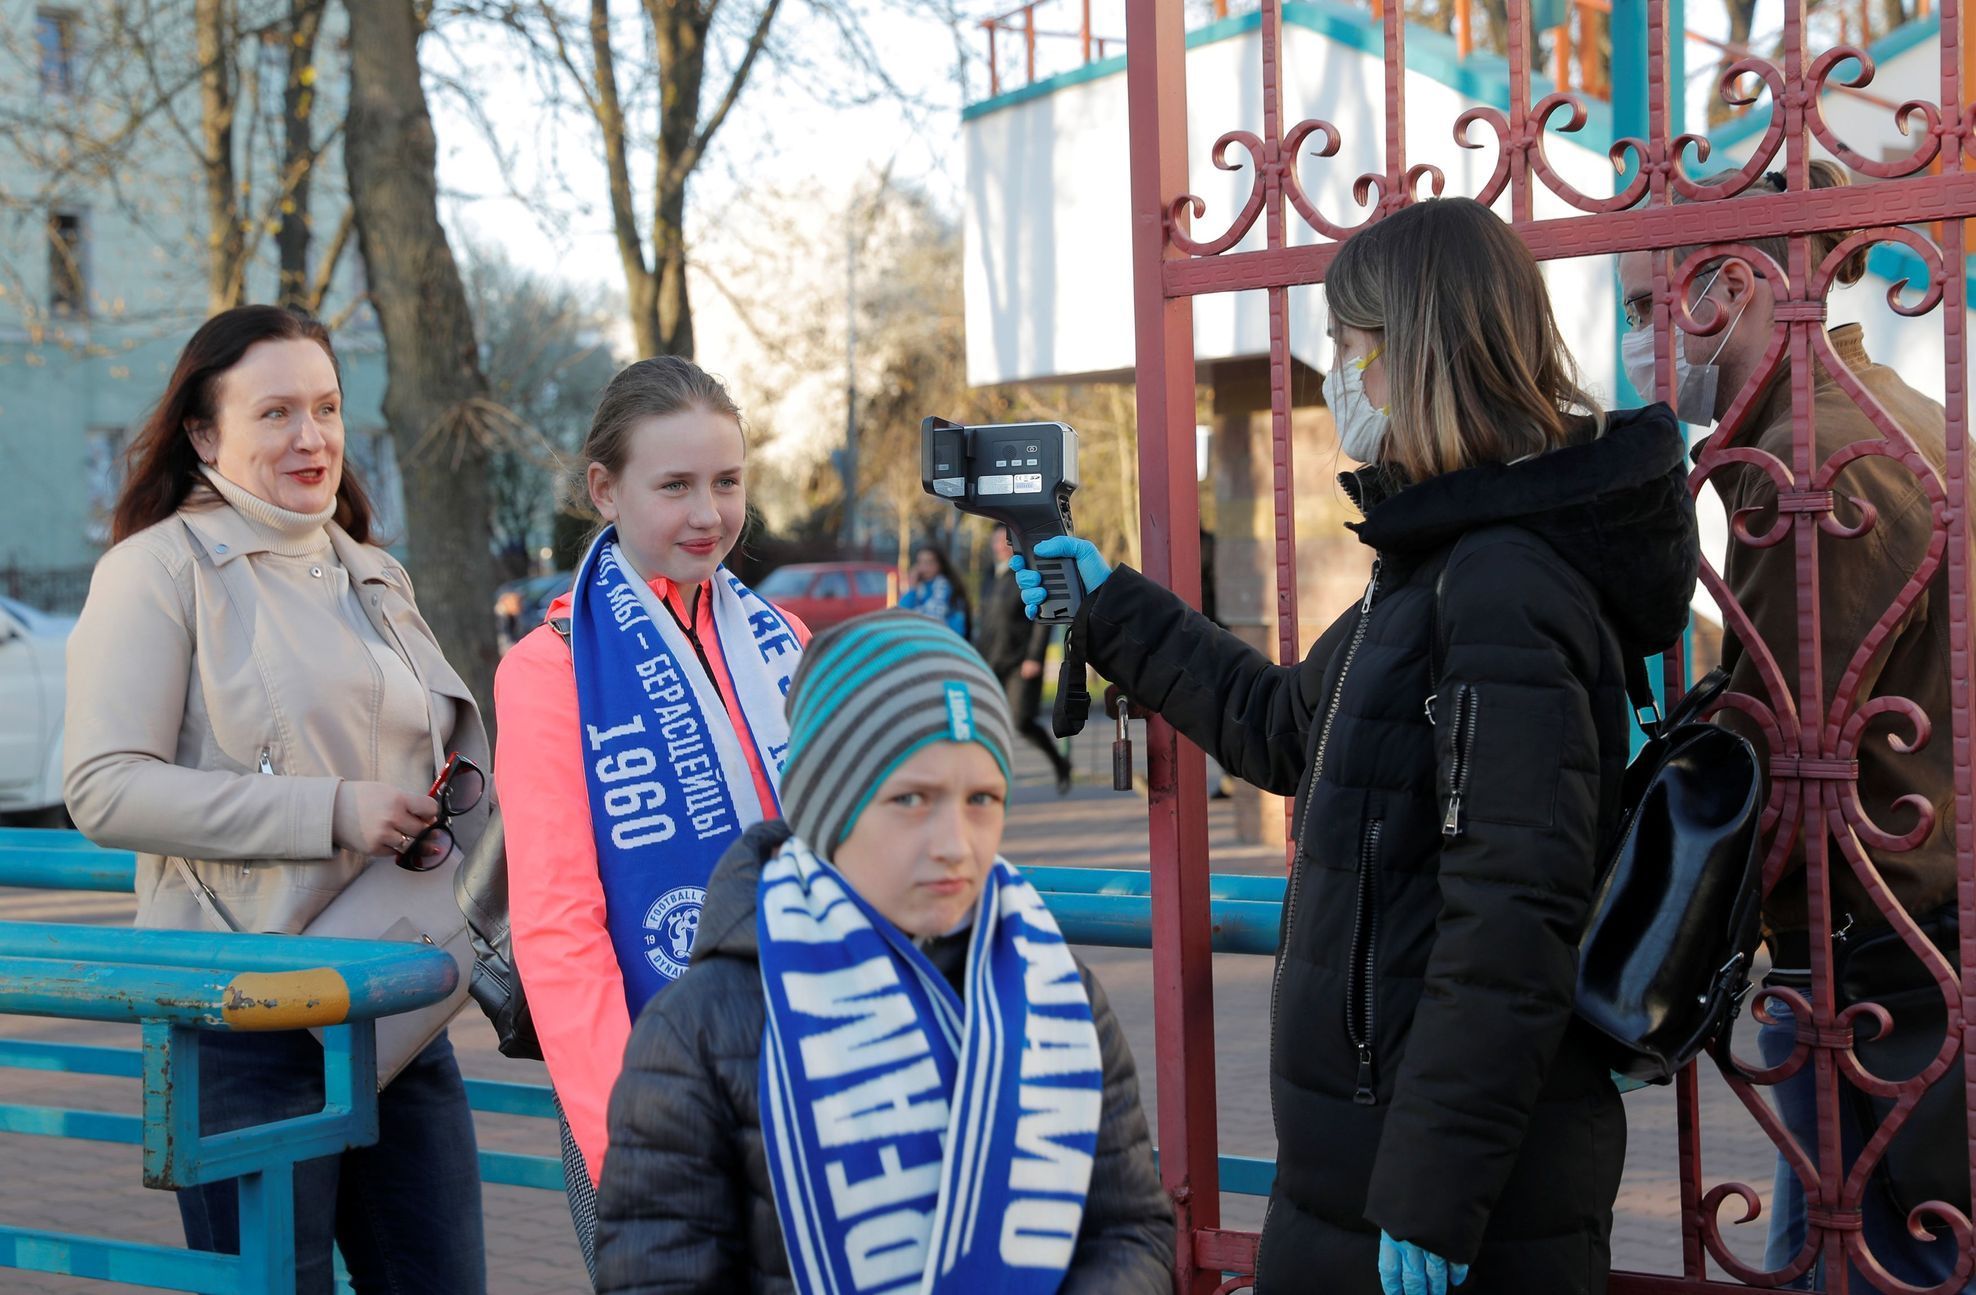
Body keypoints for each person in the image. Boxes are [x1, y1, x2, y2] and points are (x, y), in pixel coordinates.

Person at [1017, 197, 1701, 1294]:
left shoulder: (1501, 584)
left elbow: (1511, 913)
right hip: (1369, 1165)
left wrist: (1432, 1193)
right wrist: (1111, 612)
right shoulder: (1435, 561)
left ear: (1414, 352)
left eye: (1345, 344)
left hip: (1439, 1193)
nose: (1332, 372)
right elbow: (1293, 730)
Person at [63, 305, 490, 1293]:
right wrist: (331, 809)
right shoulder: (156, 571)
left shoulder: (374, 573)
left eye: (328, 407)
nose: (312, 437)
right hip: (243, 1014)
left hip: (390, 1004)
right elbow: (100, 786)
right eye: (276, 413)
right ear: (205, 435)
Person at [591, 610, 1174, 1293]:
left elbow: (1129, 1229)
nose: (955, 841)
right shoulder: (700, 1028)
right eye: (911, 798)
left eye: (982, 797)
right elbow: (658, 1276)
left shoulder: (1056, 991)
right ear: (826, 808)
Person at [1620, 164, 1965, 1291]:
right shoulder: (1882, 415)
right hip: (1899, 949)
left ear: (1736, 280)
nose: (1633, 343)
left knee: (1854, 1257)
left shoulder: (1808, 463)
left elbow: (1770, 754)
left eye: (1642, 307)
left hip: (1879, 975)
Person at [493, 356, 809, 1279]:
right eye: (674, 485)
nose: (708, 513)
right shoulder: (549, 671)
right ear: (605, 489)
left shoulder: (779, 639)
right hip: (643, 1104)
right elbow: (557, 931)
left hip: (803, 1083)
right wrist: (635, 1145)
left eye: (726, 481)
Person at [976, 524, 1074, 794]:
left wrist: (1034, 657)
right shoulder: (989, 576)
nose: (999, 546)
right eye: (996, 541)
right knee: (988, 721)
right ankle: (992, 779)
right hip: (991, 660)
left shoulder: (1025, 574)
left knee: (1021, 721)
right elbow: (985, 622)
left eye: (1005, 542)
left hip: (1021, 662)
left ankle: (1060, 763)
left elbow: (1042, 619)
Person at [898, 542, 971, 636]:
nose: (924, 567)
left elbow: (958, 627)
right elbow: (900, 613)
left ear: (940, 564)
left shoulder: (950, 590)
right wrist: (912, 589)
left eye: (929, 562)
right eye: (921, 562)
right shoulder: (916, 591)